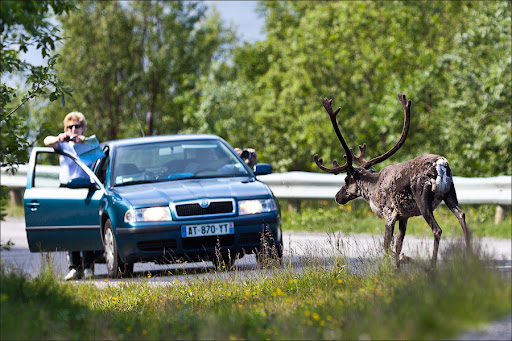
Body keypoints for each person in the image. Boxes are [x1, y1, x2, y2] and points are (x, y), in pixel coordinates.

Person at [44, 111, 98, 281]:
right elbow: (47, 141)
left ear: (83, 128)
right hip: (67, 189)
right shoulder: (63, 145)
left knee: (86, 227)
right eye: (70, 126)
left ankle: (88, 266)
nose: (74, 129)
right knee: (70, 227)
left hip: (86, 188)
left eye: (77, 126)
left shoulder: (88, 144)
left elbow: (98, 149)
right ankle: (74, 267)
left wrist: (84, 141)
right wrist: (60, 138)